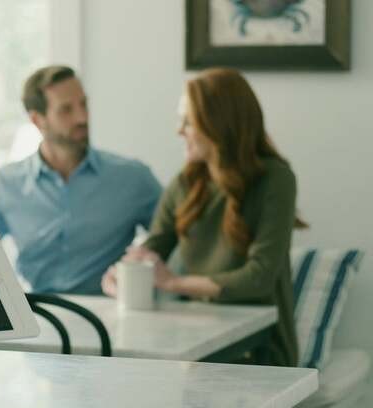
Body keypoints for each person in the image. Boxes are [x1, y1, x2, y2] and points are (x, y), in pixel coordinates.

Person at [102, 68, 306, 367]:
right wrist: (121, 272)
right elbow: (151, 250)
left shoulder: (276, 180)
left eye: (188, 121)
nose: (178, 130)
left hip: (260, 348)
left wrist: (174, 283)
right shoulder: (185, 183)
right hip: (197, 342)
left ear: (219, 124)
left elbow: (259, 278)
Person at [0, 65, 162, 294]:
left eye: (84, 104)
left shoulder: (133, 178)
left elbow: (179, 236)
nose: (82, 117)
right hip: (37, 313)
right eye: (66, 110)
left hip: (109, 314)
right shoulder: (3, 184)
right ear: (37, 120)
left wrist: (142, 261)